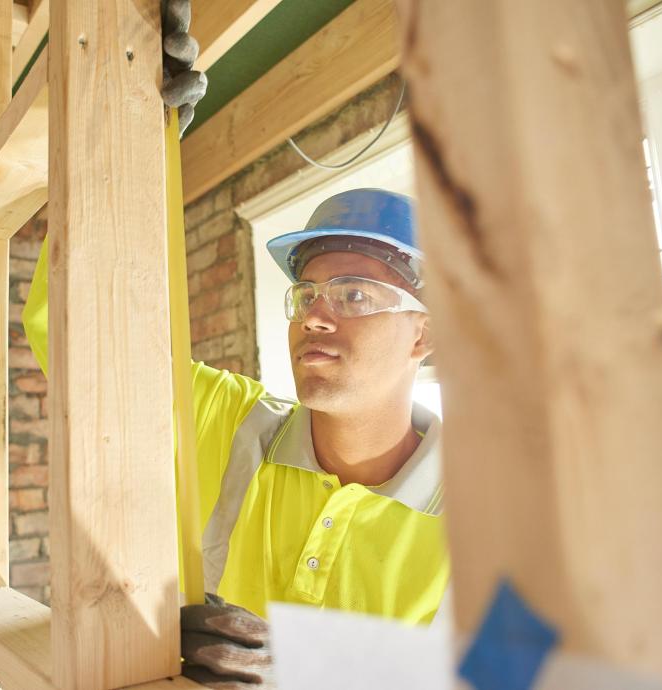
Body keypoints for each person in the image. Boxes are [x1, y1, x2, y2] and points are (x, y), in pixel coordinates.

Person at [22, 188, 449, 688]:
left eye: (352, 294)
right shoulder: (232, 424)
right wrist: (117, 158)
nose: (311, 315)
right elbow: (73, 331)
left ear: (424, 334)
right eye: (306, 294)